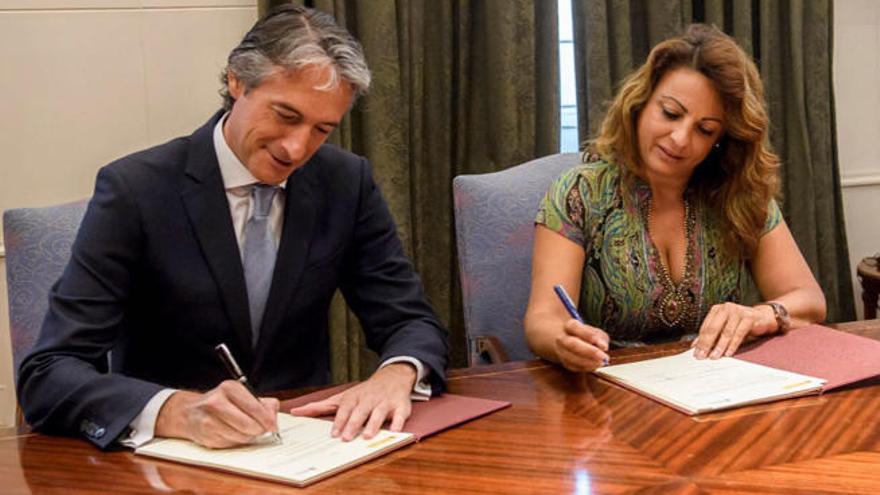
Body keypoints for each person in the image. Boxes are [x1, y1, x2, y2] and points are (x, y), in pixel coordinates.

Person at [16, 5, 448, 450]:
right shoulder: (136, 190)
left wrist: (398, 372)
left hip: (306, 449)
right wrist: (172, 410)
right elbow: (49, 373)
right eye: (285, 115)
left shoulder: (344, 182)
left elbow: (410, 320)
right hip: (170, 461)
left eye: (322, 129)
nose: (297, 149)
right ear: (237, 81)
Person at [524, 24, 826, 372]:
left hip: (717, 393)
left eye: (705, 129)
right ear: (640, 103)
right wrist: (563, 342)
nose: (680, 138)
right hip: (608, 394)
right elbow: (542, 319)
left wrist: (763, 314)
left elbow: (810, 301)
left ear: (722, 139)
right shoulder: (580, 192)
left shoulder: (737, 194)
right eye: (670, 113)